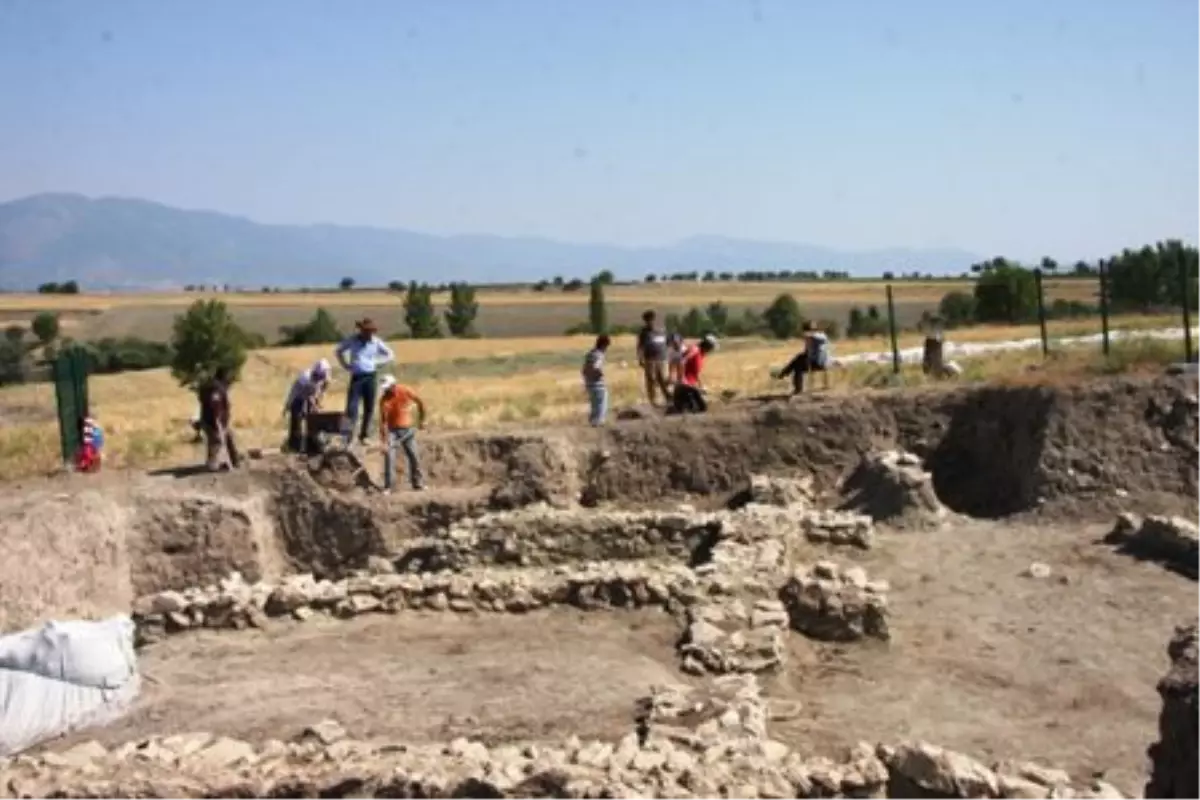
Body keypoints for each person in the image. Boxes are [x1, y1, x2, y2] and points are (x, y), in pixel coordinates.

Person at [334, 318, 395, 446]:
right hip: (356, 377)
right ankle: (347, 436)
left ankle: (364, 436)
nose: (368, 333)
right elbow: (338, 351)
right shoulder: (352, 340)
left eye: (370, 331)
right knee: (351, 408)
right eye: (366, 331)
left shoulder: (376, 342)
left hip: (370, 377)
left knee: (369, 407)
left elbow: (389, 354)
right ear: (361, 330)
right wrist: (345, 365)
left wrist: (377, 363)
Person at [378, 374, 426, 492]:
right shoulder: (384, 401)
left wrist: (422, 420)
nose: (385, 390)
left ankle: (418, 483)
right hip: (392, 431)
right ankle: (389, 487)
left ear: (393, 385)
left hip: (408, 430)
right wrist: (384, 442)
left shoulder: (405, 391)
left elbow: (420, 403)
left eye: (387, 388)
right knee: (390, 457)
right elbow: (383, 422)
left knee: (414, 456)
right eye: (384, 388)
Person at [283, 358, 331, 452]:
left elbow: (324, 387)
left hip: (312, 393)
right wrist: (287, 405)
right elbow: (307, 395)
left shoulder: (325, 375)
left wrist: (319, 401)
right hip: (298, 395)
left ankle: (312, 444)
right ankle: (294, 446)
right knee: (297, 419)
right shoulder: (305, 377)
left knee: (313, 419)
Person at [197, 366, 240, 471]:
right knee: (216, 441)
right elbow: (215, 405)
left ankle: (235, 461)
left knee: (229, 437)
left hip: (217, 420)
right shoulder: (216, 388)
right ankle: (212, 465)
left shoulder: (216, 387)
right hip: (213, 421)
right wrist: (217, 421)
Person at [774, 321, 830, 395]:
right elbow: (807, 352)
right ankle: (784, 374)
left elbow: (818, 338)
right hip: (813, 361)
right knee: (799, 358)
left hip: (819, 362)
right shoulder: (812, 338)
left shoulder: (820, 336)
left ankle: (791, 383)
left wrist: (809, 335)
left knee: (798, 367)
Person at [672, 334, 716, 414]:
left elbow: (696, 373)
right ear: (708, 346)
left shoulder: (701, 355)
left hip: (690, 386)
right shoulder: (695, 350)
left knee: (702, 408)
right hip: (684, 386)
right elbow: (682, 361)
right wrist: (682, 379)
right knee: (698, 408)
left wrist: (701, 386)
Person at [636, 310, 671, 407]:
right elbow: (640, 346)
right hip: (650, 359)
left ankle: (668, 396)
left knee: (663, 378)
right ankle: (653, 400)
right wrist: (640, 358)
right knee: (651, 379)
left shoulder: (662, 330)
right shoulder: (644, 332)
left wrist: (668, 353)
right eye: (647, 321)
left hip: (662, 358)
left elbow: (668, 343)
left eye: (651, 320)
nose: (650, 322)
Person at [581, 334, 611, 426]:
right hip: (597, 383)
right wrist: (600, 374)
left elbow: (584, 369)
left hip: (589, 383)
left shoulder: (590, 353)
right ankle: (599, 422)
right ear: (604, 345)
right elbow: (595, 367)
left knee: (594, 404)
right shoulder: (599, 355)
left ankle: (592, 421)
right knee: (601, 403)